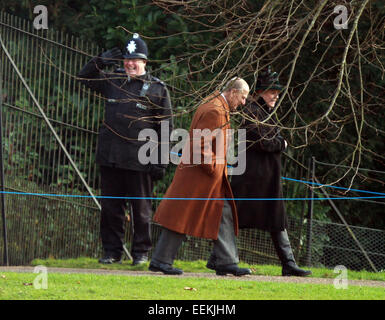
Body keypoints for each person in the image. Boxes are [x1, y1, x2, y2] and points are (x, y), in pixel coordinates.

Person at [77, 33, 173, 265]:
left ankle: (140, 253)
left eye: (135, 60)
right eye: (127, 59)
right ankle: (112, 252)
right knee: (111, 208)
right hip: (110, 157)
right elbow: (82, 78)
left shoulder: (157, 90)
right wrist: (99, 60)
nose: (130, 64)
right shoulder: (113, 81)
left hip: (140, 160)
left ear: (145, 62)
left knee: (141, 210)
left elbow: (166, 128)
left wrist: (160, 161)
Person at [148, 77, 252, 276]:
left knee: (221, 213)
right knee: (182, 216)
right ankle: (162, 261)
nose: (243, 102)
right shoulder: (215, 110)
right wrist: (213, 167)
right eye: (243, 97)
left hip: (204, 176)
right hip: (201, 176)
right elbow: (200, 145)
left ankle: (225, 261)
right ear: (232, 92)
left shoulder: (217, 104)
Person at [231, 66, 311, 277]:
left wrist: (277, 142)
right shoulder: (252, 112)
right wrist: (282, 144)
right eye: (271, 91)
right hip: (251, 177)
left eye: (276, 91)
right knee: (234, 218)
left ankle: (288, 263)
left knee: (277, 219)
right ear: (259, 92)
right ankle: (222, 259)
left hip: (267, 178)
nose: (275, 95)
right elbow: (263, 142)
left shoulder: (265, 112)